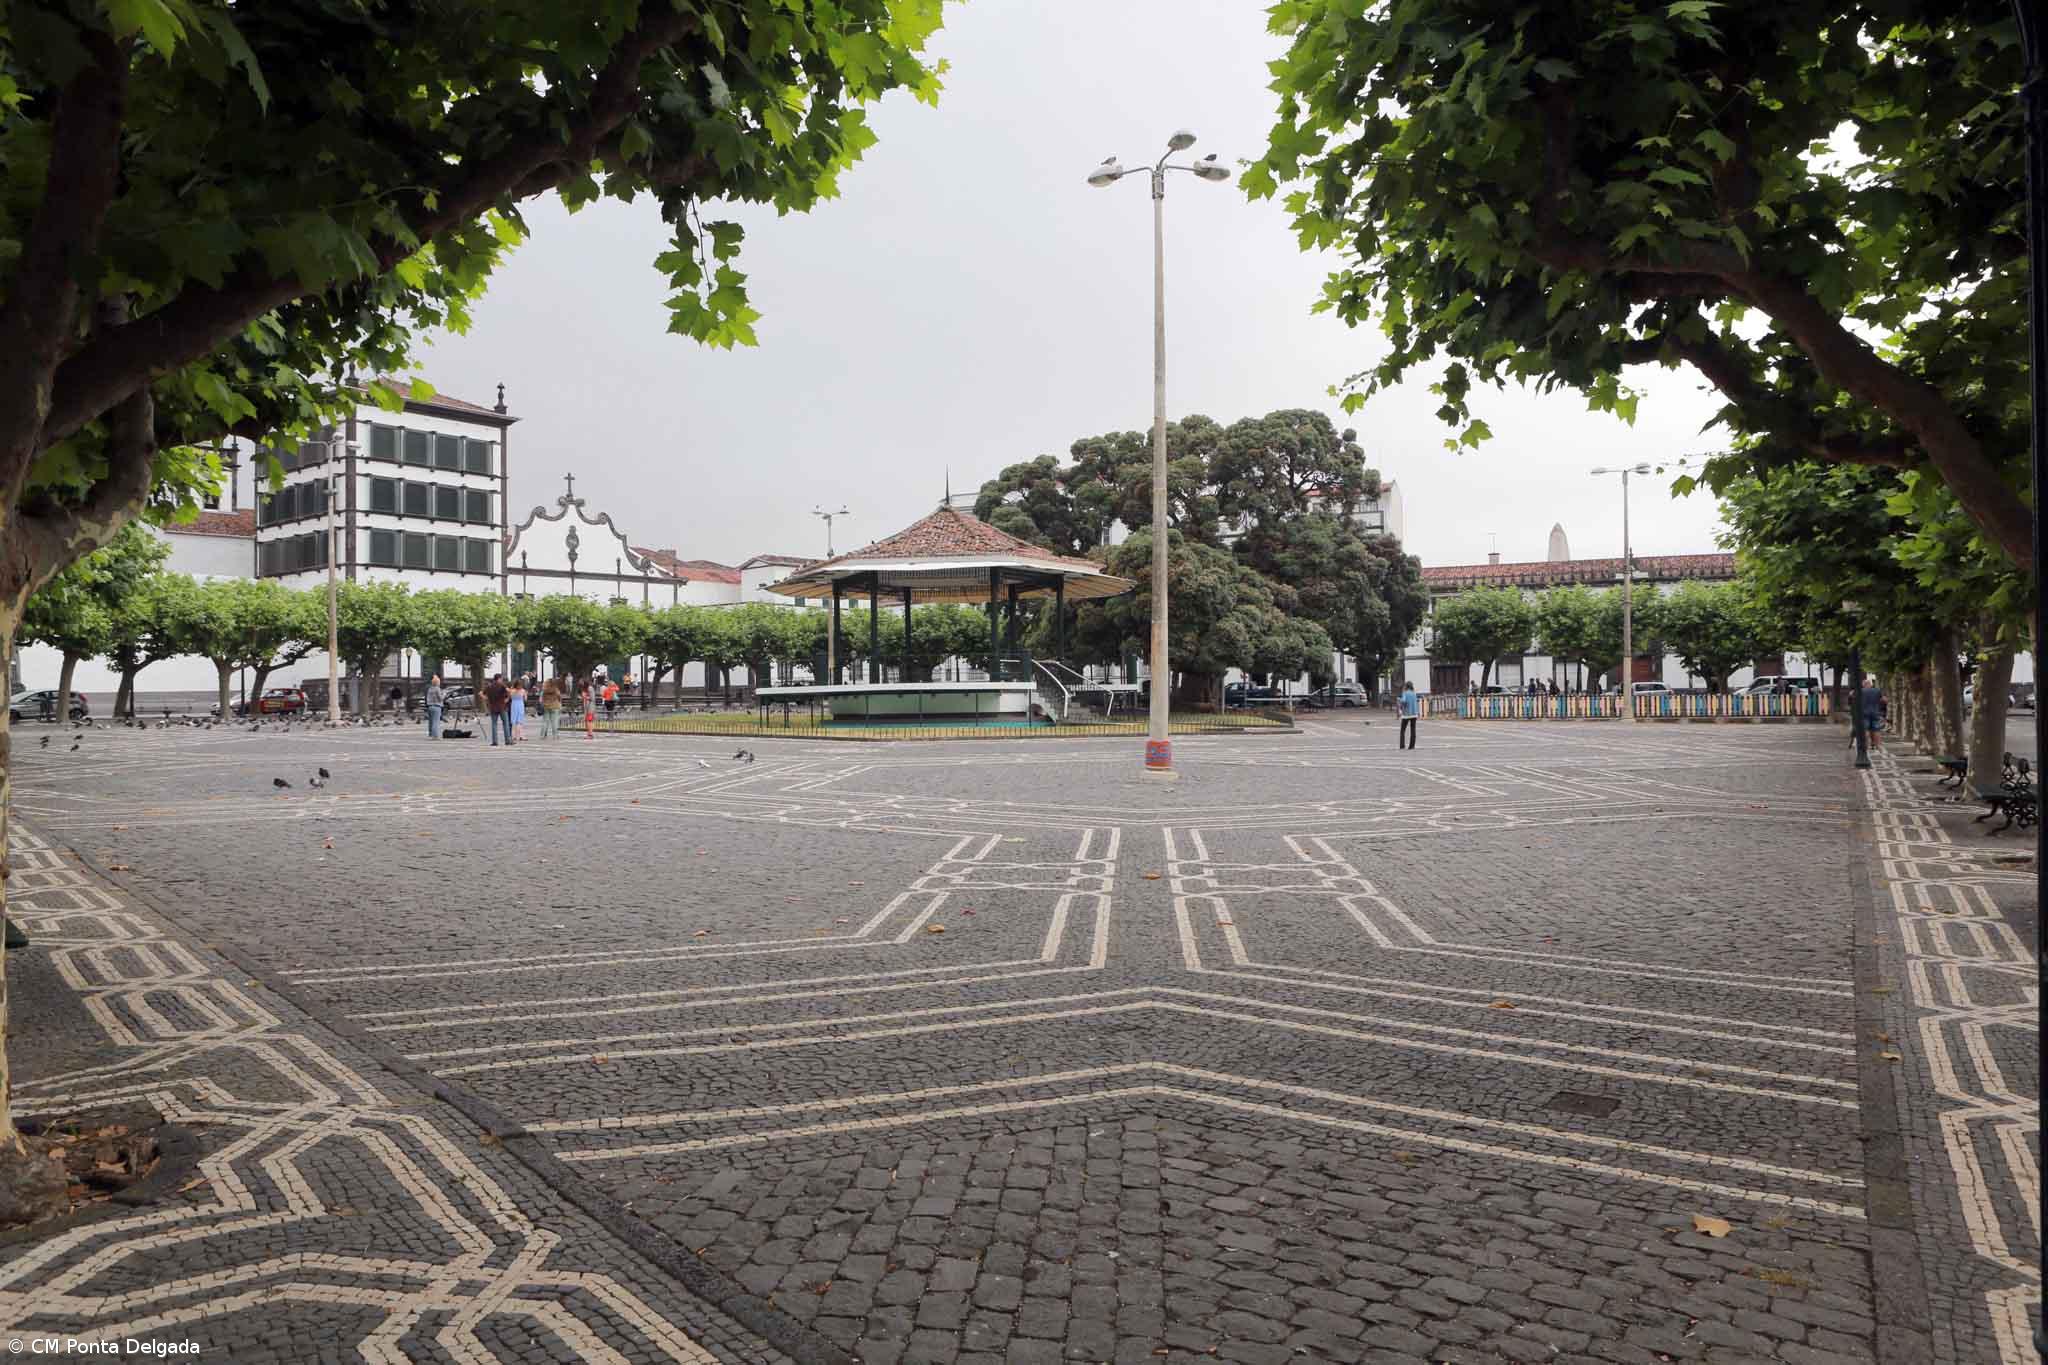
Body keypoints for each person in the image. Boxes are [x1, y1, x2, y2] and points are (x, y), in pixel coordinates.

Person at [485, 673, 513, 747]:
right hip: (502, 707)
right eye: (501, 679)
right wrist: (507, 698)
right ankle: (508, 740)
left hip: (493, 707)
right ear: (499, 679)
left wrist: (487, 699)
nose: (502, 680)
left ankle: (495, 741)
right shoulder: (502, 685)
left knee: (494, 724)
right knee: (505, 723)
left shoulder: (489, 686)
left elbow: (481, 693)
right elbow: (509, 691)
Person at [1859, 675, 1885, 750]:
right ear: (1870, 684)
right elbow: (1884, 700)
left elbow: (1852, 697)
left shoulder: (1861, 691)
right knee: (1876, 730)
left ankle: (1866, 745)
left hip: (1864, 713)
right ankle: (1878, 746)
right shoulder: (1877, 690)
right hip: (1875, 712)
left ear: (1864, 685)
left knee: (1865, 730)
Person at [1398, 681, 1420, 750]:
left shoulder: (1405, 693)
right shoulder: (1414, 693)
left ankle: (1402, 745)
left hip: (1406, 714)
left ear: (1406, 686)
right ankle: (1412, 746)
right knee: (1413, 730)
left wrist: (1399, 700)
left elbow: (1404, 701)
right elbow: (1416, 702)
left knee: (1402, 730)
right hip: (1414, 714)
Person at [424, 675, 445, 740]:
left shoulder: (430, 689)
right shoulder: (437, 689)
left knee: (431, 722)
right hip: (436, 706)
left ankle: (431, 733)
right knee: (436, 722)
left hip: (430, 706)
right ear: (437, 682)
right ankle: (435, 736)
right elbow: (440, 698)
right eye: (439, 682)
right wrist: (444, 694)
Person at [509, 678, 527, 743]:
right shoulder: (523, 691)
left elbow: (510, 697)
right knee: (520, 721)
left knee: (514, 721)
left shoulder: (512, 690)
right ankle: (520, 736)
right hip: (520, 705)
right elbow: (525, 699)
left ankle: (513, 736)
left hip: (513, 705)